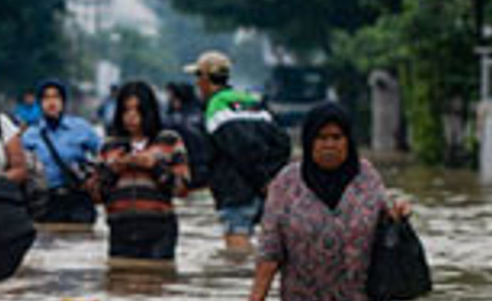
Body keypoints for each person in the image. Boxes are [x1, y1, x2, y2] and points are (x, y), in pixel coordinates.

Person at [249, 102, 410, 301]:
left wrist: (397, 215)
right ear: (309, 141)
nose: (329, 145)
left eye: (337, 137)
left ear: (348, 141)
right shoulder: (287, 183)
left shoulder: (367, 177)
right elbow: (269, 251)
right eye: (321, 138)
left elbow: (384, 222)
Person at [185, 50, 291, 253]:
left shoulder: (216, 108)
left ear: (205, 79)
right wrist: (271, 180)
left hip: (236, 194)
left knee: (237, 258)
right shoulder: (252, 101)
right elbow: (282, 143)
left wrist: (262, 181)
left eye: (198, 77)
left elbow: (238, 148)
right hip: (265, 195)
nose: (197, 84)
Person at [87, 81, 191, 261]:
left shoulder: (169, 141)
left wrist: (154, 167)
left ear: (149, 111)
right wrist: (114, 169)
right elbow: (95, 194)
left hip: (160, 228)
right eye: (126, 110)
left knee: (158, 281)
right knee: (120, 283)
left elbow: (181, 189)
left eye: (137, 110)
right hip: (120, 227)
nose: (131, 117)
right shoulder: (109, 145)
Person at [21, 79, 101, 224]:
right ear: (39, 103)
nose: (51, 102)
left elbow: (104, 155)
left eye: (56, 97)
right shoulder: (30, 135)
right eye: (46, 97)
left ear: (63, 101)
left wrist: (94, 179)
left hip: (78, 199)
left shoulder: (81, 127)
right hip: (46, 201)